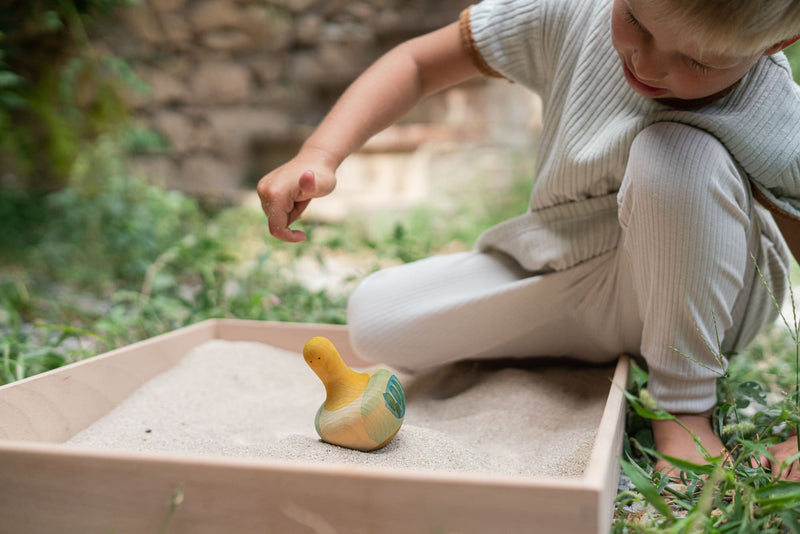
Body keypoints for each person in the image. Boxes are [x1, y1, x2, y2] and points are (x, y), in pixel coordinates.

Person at [257, 0, 800, 480]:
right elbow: (419, 63)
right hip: (571, 267)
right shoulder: (569, 12)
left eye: (698, 61)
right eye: (635, 19)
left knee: (677, 154)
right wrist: (319, 155)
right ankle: (606, 356)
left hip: (708, 294)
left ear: (777, 41)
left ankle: (683, 408)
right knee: (376, 316)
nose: (648, 62)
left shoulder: (774, 110)